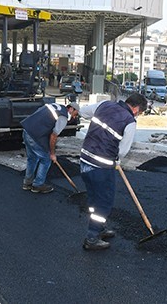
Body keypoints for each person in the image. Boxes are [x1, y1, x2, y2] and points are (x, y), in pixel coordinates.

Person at [78, 93, 148, 251]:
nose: (138, 114)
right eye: (140, 112)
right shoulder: (130, 121)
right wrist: (116, 159)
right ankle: (92, 237)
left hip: (84, 160)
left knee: (94, 197)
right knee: (104, 202)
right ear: (136, 109)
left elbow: (83, 112)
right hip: (101, 166)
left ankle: (99, 227)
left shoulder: (104, 105)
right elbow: (123, 151)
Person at [20, 102, 81, 193]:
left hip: (27, 130)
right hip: (36, 135)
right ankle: (38, 185)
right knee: (46, 159)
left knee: (32, 158)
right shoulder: (63, 117)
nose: (74, 117)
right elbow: (53, 136)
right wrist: (52, 153)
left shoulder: (56, 105)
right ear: (71, 109)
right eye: (75, 114)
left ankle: (27, 183)